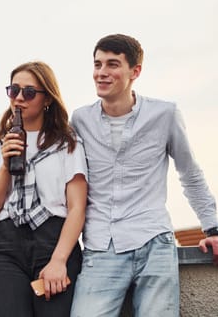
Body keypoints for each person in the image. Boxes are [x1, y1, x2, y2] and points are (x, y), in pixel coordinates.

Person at [70, 34, 218, 317]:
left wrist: (212, 229)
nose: (101, 73)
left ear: (135, 71)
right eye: (97, 64)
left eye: (112, 65)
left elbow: (190, 174)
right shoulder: (80, 120)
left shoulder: (165, 114)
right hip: (101, 247)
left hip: (154, 243)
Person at [0, 61, 87, 317]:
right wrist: (6, 164)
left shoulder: (67, 144)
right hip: (6, 245)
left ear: (47, 98)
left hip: (53, 240)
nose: (19, 98)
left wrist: (59, 261)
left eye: (28, 92)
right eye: (13, 90)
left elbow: (77, 208)